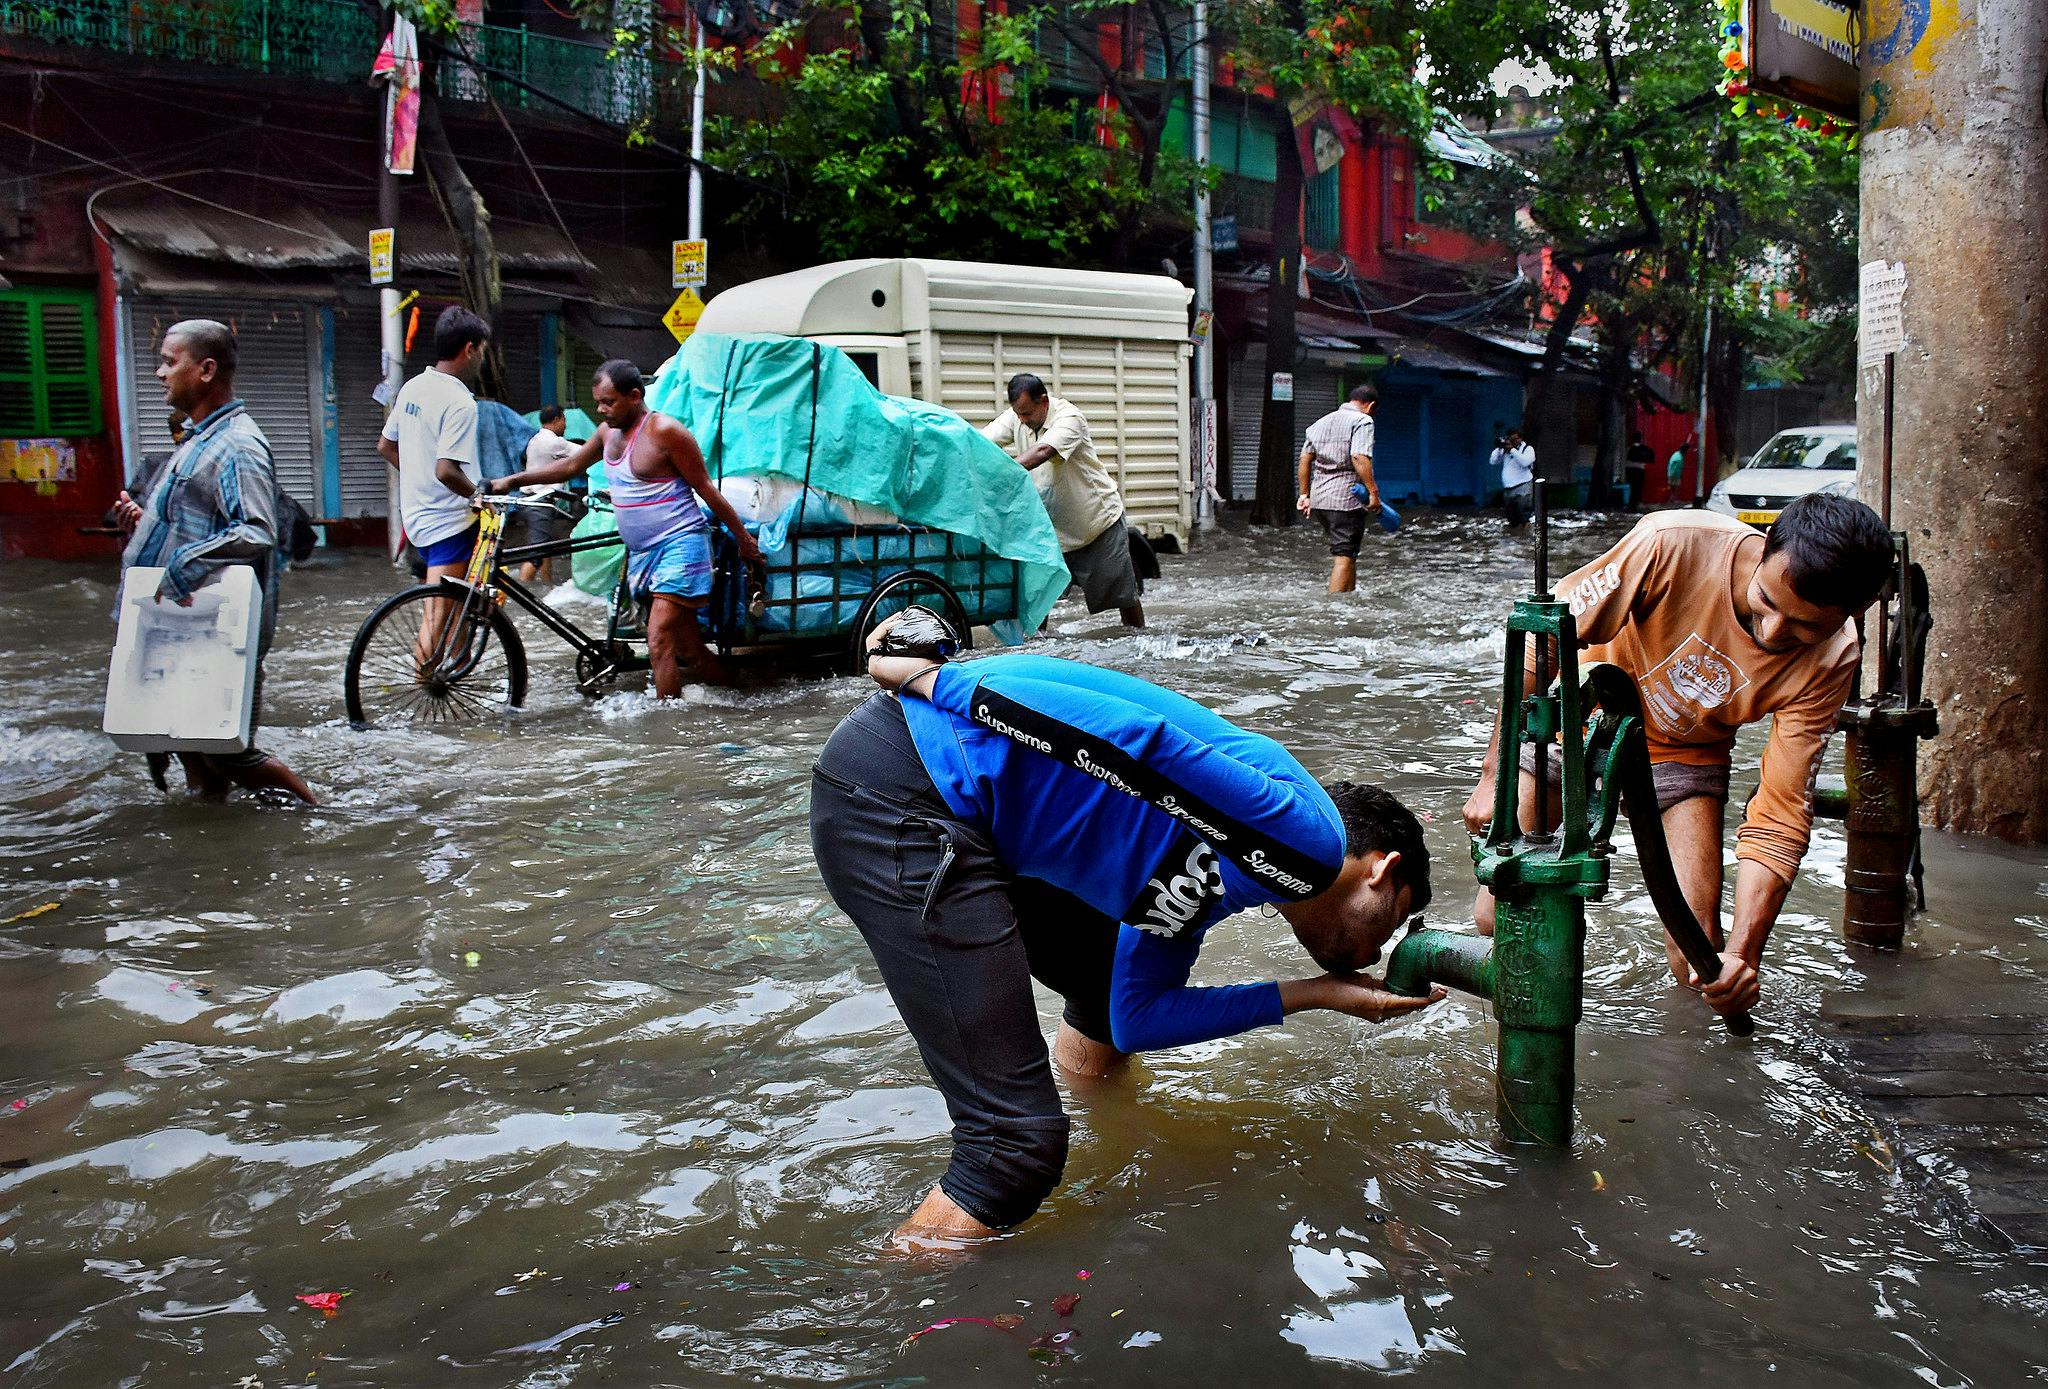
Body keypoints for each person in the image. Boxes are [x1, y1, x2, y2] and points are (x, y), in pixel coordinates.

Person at [811, 623, 1443, 1244]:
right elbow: (1138, 742)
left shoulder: (1227, 875)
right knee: (1013, 1150)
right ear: (1382, 873)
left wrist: (1320, 993)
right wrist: (935, 680)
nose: (1376, 951)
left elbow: (1134, 1018)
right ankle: (892, 1319)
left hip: (959, 806)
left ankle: (1107, 1123)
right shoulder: (1310, 846)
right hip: (903, 792)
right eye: (1390, 922)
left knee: (1097, 985)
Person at [1460, 495, 1895, 1021]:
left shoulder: (1834, 658)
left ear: (1853, 615)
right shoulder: (1672, 543)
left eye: (1805, 627)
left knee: (1700, 955)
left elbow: (1781, 812)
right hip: (1579, 721)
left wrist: (1742, 959)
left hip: (1685, 752)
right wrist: (1494, 776)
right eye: (1767, 601)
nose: (1775, 633)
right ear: (1762, 553)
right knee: (1499, 915)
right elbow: (1542, 642)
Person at [112, 319, 315, 805]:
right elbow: (198, 522)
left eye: (168, 361)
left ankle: (321, 822)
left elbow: (256, 529)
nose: (159, 373)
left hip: (218, 636)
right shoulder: (200, 440)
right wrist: (145, 524)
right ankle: (213, 847)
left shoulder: (236, 445)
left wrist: (181, 561)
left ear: (205, 370)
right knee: (188, 748)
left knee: (227, 751)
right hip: (180, 627)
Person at [488, 359, 764, 695]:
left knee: (658, 637)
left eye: (609, 402)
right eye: (599, 402)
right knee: (689, 650)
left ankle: (666, 729)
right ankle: (745, 694)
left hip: (681, 546)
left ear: (635, 395)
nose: (601, 410)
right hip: (641, 554)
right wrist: (513, 480)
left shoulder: (665, 432)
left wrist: (744, 539)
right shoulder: (607, 433)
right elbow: (571, 465)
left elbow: (707, 489)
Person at [983, 374, 1144, 628]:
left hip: (1095, 524)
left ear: (1043, 401)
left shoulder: (1069, 418)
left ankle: (1139, 641)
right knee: (1038, 599)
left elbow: (1043, 451)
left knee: (1123, 594)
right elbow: (983, 441)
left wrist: (1006, 473)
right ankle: (1035, 654)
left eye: (1027, 413)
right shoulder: (1018, 417)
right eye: (1018, 414)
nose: (1023, 421)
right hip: (1052, 529)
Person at [378, 304, 488, 592]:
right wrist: (481, 499)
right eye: (483, 351)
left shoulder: (412, 387)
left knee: (456, 620)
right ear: (469, 349)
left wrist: (420, 477)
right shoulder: (461, 402)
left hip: (415, 522)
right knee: (436, 626)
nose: (483, 359)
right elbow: (446, 471)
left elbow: (386, 447)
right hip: (450, 526)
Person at [1295, 384, 1381, 593]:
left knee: (1348, 554)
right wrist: (1373, 493)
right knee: (1343, 556)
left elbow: (1305, 460)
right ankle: (1334, 609)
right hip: (1345, 498)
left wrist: (1304, 495)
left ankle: (1349, 599)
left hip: (1320, 499)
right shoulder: (1362, 420)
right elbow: (1358, 456)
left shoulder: (1319, 423)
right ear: (1370, 406)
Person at [506, 405, 580, 584]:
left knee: (543, 545)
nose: (565, 426)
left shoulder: (535, 440)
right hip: (540, 503)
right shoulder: (554, 442)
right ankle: (522, 592)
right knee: (536, 554)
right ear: (556, 420)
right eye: (564, 420)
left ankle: (547, 585)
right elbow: (585, 453)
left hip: (528, 501)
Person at [1492, 428, 1536, 527]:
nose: (1513, 441)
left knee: (1524, 515)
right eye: (1510, 439)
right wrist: (1500, 448)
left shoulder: (1528, 449)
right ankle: (1515, 537)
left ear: (1520, 438)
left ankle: (1524, 537)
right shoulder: (1505, 451)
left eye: (1515, 439)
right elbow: (1493, 461)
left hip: (1523, 486)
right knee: (1511, 517)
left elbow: (1525, 462)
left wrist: (1512, 449)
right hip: (1508, 488)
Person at [1624, 431, 1654, 508]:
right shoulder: (1644, 449)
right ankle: (1636, 503)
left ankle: (1631, 504)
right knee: (1638, 488)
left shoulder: (1629, 448)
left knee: (1632, 488)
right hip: (1639, 470)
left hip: (1630, 470)